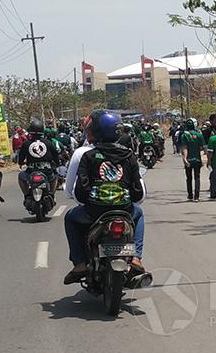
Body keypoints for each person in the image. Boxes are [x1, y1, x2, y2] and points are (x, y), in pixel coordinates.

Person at [62, 109, 146, 284]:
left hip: (94, 212)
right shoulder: (129, 156)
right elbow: (138, 192)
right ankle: (136, 258)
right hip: (124, 210)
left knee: (70, 217)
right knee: (138, 213)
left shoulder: (88, 156)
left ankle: (79, 264)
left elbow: (80, 192)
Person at [16, 117, 61, 200]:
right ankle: (51, 194)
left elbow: (21, 158)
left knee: (21, 176)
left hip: (31, 171)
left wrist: (21, 163)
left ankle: (26, 195)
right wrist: (57, 164)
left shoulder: (26, 144)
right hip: (47, 171)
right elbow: (55, 155)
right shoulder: (48, 143)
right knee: (55, 177)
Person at [178, 118, 205, 201]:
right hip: (197, 160)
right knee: (197, 177)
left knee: (189, 178)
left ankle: (190, 195)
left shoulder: (184, 135)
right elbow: (202, 148)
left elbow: (184, 148)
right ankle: (196, 196)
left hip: (189, 160)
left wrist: (185, 159)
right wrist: (202, 159)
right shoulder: (199, 135)